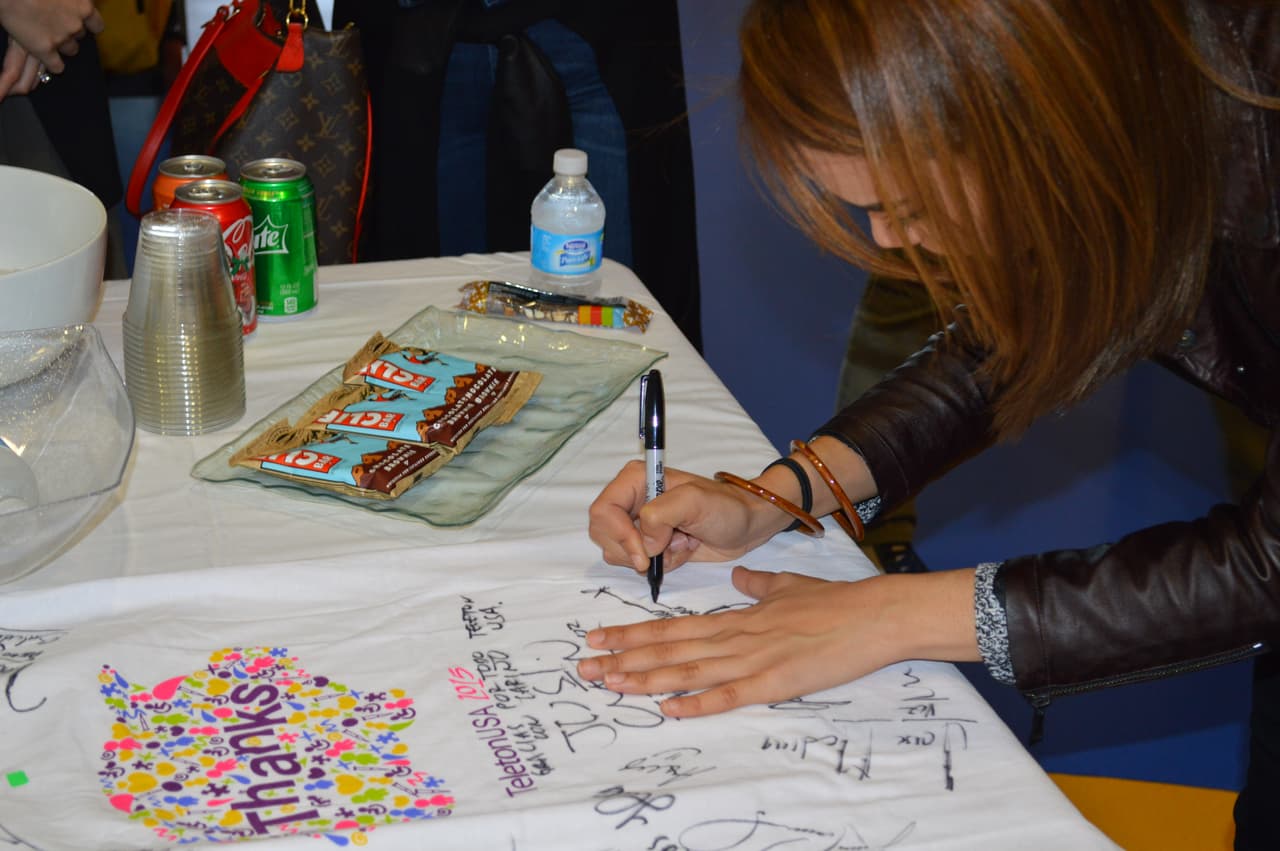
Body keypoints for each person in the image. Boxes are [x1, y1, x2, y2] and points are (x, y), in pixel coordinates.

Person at [579, 2, 1279, 847]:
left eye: (907, 205)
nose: (889, 241)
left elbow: (1267, 564)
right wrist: (780, 494)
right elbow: (1025, 324)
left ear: (1034, 107)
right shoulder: (1119, 98)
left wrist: (892, 614)